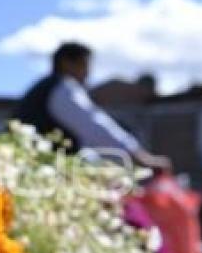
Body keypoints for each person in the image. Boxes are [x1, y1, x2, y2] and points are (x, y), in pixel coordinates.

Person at [13, 42, 171, 170]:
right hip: (38, 173)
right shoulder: (63, 88)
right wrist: (140, 157)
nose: (88, 73)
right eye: (84, 65)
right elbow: (95, 127)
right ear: (66, 63)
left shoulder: (45, 88)